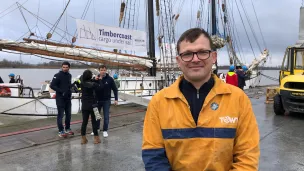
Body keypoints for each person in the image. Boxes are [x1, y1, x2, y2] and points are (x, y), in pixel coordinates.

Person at [142, 28, 260, 171]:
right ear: (178, 61)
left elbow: (247, 156)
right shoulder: (159, 102)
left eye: (203, 52)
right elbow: (153, 154)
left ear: (214, 57)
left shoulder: (239, 100)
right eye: (187, 54)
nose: (195, 59)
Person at [91, 65, 118, 137]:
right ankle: (96, 129)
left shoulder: (110, 79)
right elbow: (91, 88)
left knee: (106, 116)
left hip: (106, 100)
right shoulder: (95, 78)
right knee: (97, 116)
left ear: (106, 70)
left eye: (104, 70)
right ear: (99, 71)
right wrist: (94, 80)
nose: (103, 71)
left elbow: (115, 89)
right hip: (97, 100)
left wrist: (116, 99)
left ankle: (105, 130)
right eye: (101, 70)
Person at [50, 61, 74, 138]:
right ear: (61, 67)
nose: (65, 69)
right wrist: (61, 91)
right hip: (60, 98)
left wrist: (73, 86)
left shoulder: (69, 75)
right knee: (60, 115)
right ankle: (61, 130)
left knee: (68, 115)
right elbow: (52, 86)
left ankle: (67, 128)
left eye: (67, 67)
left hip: (68, 98)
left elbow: (67, 85)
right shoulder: (57, 75)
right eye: (64, 67)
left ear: (69, 68)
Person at [80, 70, 104, 144]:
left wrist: (94, 79)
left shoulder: (82, 83)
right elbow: (101, 87)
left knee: (84, 122)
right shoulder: (93, 84)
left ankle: (83, 139)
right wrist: (99, 80)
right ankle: (96, 139)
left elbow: (84, 79)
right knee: (95, 122)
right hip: (94, 105)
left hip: (84, 105)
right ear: (90, 76)